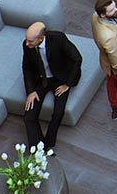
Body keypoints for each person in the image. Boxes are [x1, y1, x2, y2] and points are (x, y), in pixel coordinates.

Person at [19, 21, 81, 149]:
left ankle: (48, 144)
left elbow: (77, 58)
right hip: (41, 80)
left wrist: (68, 84)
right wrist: (31, 91)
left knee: (58, 113)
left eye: (30, 41)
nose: (27, 44)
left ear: (41, 38)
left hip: (60, 79)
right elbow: (27, 68)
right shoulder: (27, 46)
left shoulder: (58, 39)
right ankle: (38, 149)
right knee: (29, 116)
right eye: (26, 40)